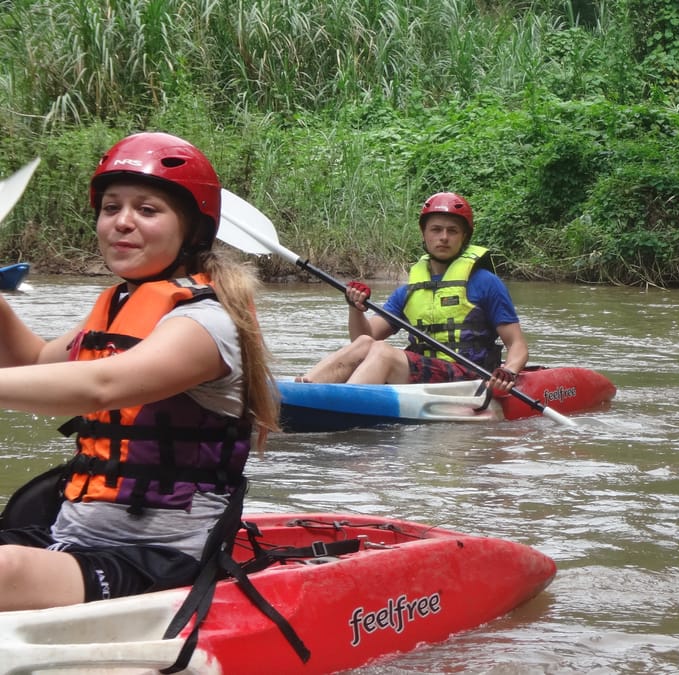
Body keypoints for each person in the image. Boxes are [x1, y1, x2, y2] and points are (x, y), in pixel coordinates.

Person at [0, 132, 277, 610]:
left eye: (147, 210)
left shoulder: (206, 323)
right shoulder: (115, 308)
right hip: (71, 536)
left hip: (163, 557)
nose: (122, 222)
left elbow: (99, 386)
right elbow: (32, 365)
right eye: (111, 208)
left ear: (191, 229)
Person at [298, 191, 527, 394]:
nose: (444, 237)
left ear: (464, 237)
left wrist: (508, 372)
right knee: (368, 343)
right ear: (424, 234)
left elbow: (517, 345)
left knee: (383, 353)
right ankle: (306, 386)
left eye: (452, 231)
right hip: (425, 373)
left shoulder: (486, 283)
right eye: (436, 230)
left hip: (469, 376)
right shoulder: (409, 290)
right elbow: (362, 338)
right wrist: (355, 307)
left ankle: (342, 402)